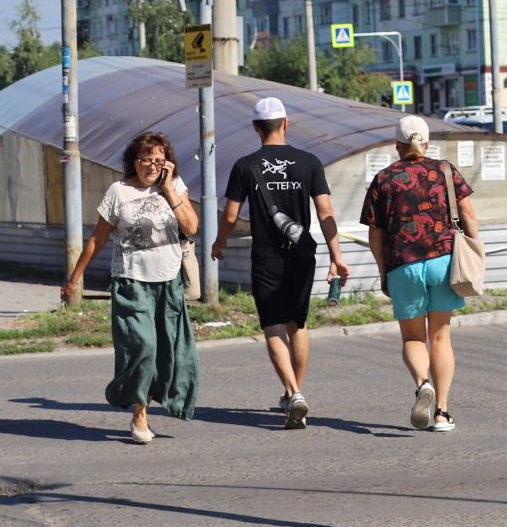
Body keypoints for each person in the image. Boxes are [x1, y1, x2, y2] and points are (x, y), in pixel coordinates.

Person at [213, 96, 349, 429]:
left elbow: (230, 215)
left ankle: (293, 392)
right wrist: (337, 256)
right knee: (298, 325)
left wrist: (220, 241)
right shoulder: (310, 162)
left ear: (256, 128)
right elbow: (326, 213)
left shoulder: (245, 166)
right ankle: (294, 395)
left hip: (267, 256)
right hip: (303, 253)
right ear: (286, 123)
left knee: (274, 328)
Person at [62, 130, 200, 444]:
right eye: (144, 160)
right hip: (130, 281)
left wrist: (167, 189)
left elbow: (191, 227)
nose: (150, 166)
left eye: (158, 161)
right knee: (144, 348)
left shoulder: (174, 186)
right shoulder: (118, 191)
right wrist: (75, 279)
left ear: (167, 163)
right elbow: (97, 238)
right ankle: (139, 414)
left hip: (167, 280)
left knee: (167, 352)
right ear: (133, 161)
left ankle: (149, 403)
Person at [360, 114, 479, 433]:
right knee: (440, 337)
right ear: (426, 143)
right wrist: (474, 251)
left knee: (413, 338)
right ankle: (441, 412)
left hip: (403, 263)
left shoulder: (384, 179)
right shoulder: (445, 171)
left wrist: (384, 272)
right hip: (443, 261)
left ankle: (422, 382)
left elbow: (375, 235)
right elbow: (468, 215)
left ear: (397, 146)